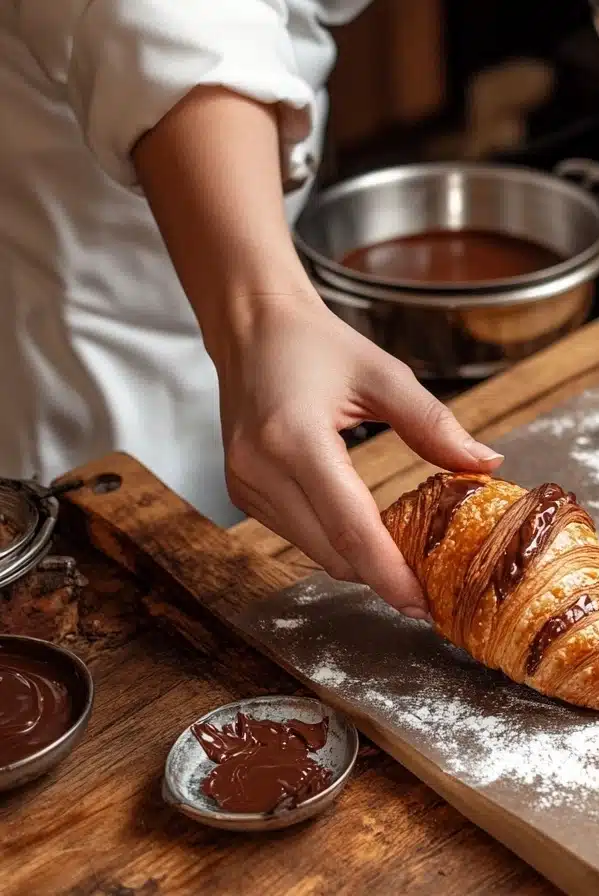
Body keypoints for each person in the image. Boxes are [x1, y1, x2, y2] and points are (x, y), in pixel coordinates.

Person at [0, 1, 502, 619]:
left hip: (274, 301)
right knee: (111, 608)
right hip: (96, 338)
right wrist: (269, 313)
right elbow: (163, 19)